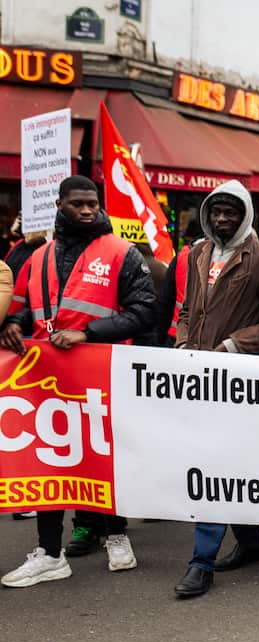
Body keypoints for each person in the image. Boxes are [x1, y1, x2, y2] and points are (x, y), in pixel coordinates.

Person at [1, 175, 156, 588]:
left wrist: (88, 333)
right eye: (78, 205)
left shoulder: (122, 253)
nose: (87, 211)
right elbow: (18, 309)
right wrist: (12, 326)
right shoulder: (37, 257)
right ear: (59, 204)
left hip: (100, 372)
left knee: (102, 457)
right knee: (50, 461)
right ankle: (49, 553)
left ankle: (117, 534)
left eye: (93, 204)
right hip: (44, 376)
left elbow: (144, 313)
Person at [172, 181, 259, 599]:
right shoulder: (198, 252)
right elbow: (188, 308)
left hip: (239, 379)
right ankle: (251, 543)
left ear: (246, 215)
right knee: (231, 465)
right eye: (217, 211)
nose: (223, 219)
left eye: (232, 212)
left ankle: (200, 562)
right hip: (198, 376)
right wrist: (184, 342)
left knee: (216, 468)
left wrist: (232, 344)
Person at [156, 216, 203, 347]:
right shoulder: (241, 259)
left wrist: (158, 343)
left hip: (176, 339)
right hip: (213, 347)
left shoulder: (183, 256)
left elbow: (165, 303)